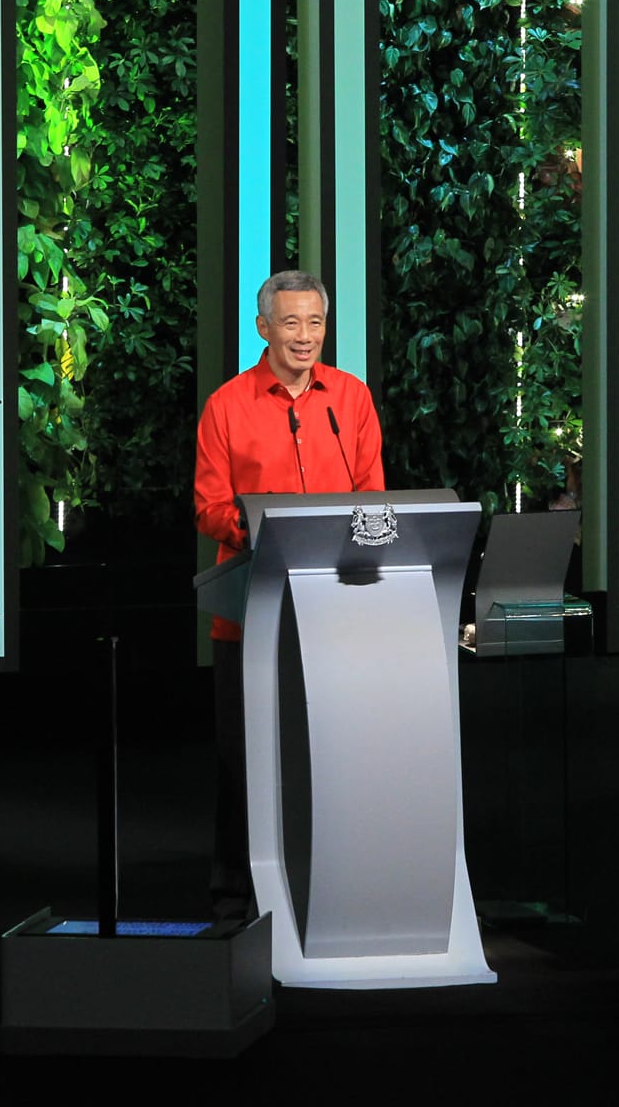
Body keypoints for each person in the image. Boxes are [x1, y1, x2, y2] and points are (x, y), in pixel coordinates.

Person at [193, 270, 385, 921]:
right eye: (292, 323)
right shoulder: (226, 406)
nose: (305, 338)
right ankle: (234, 892)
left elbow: (373, 498)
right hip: (251, 609)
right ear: (264, 328)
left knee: (332, 752)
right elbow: (208, 506)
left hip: (337, 608)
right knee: (242, 758)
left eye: (315, 323)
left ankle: (331, 880)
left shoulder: (351, 401)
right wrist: (258, 525)